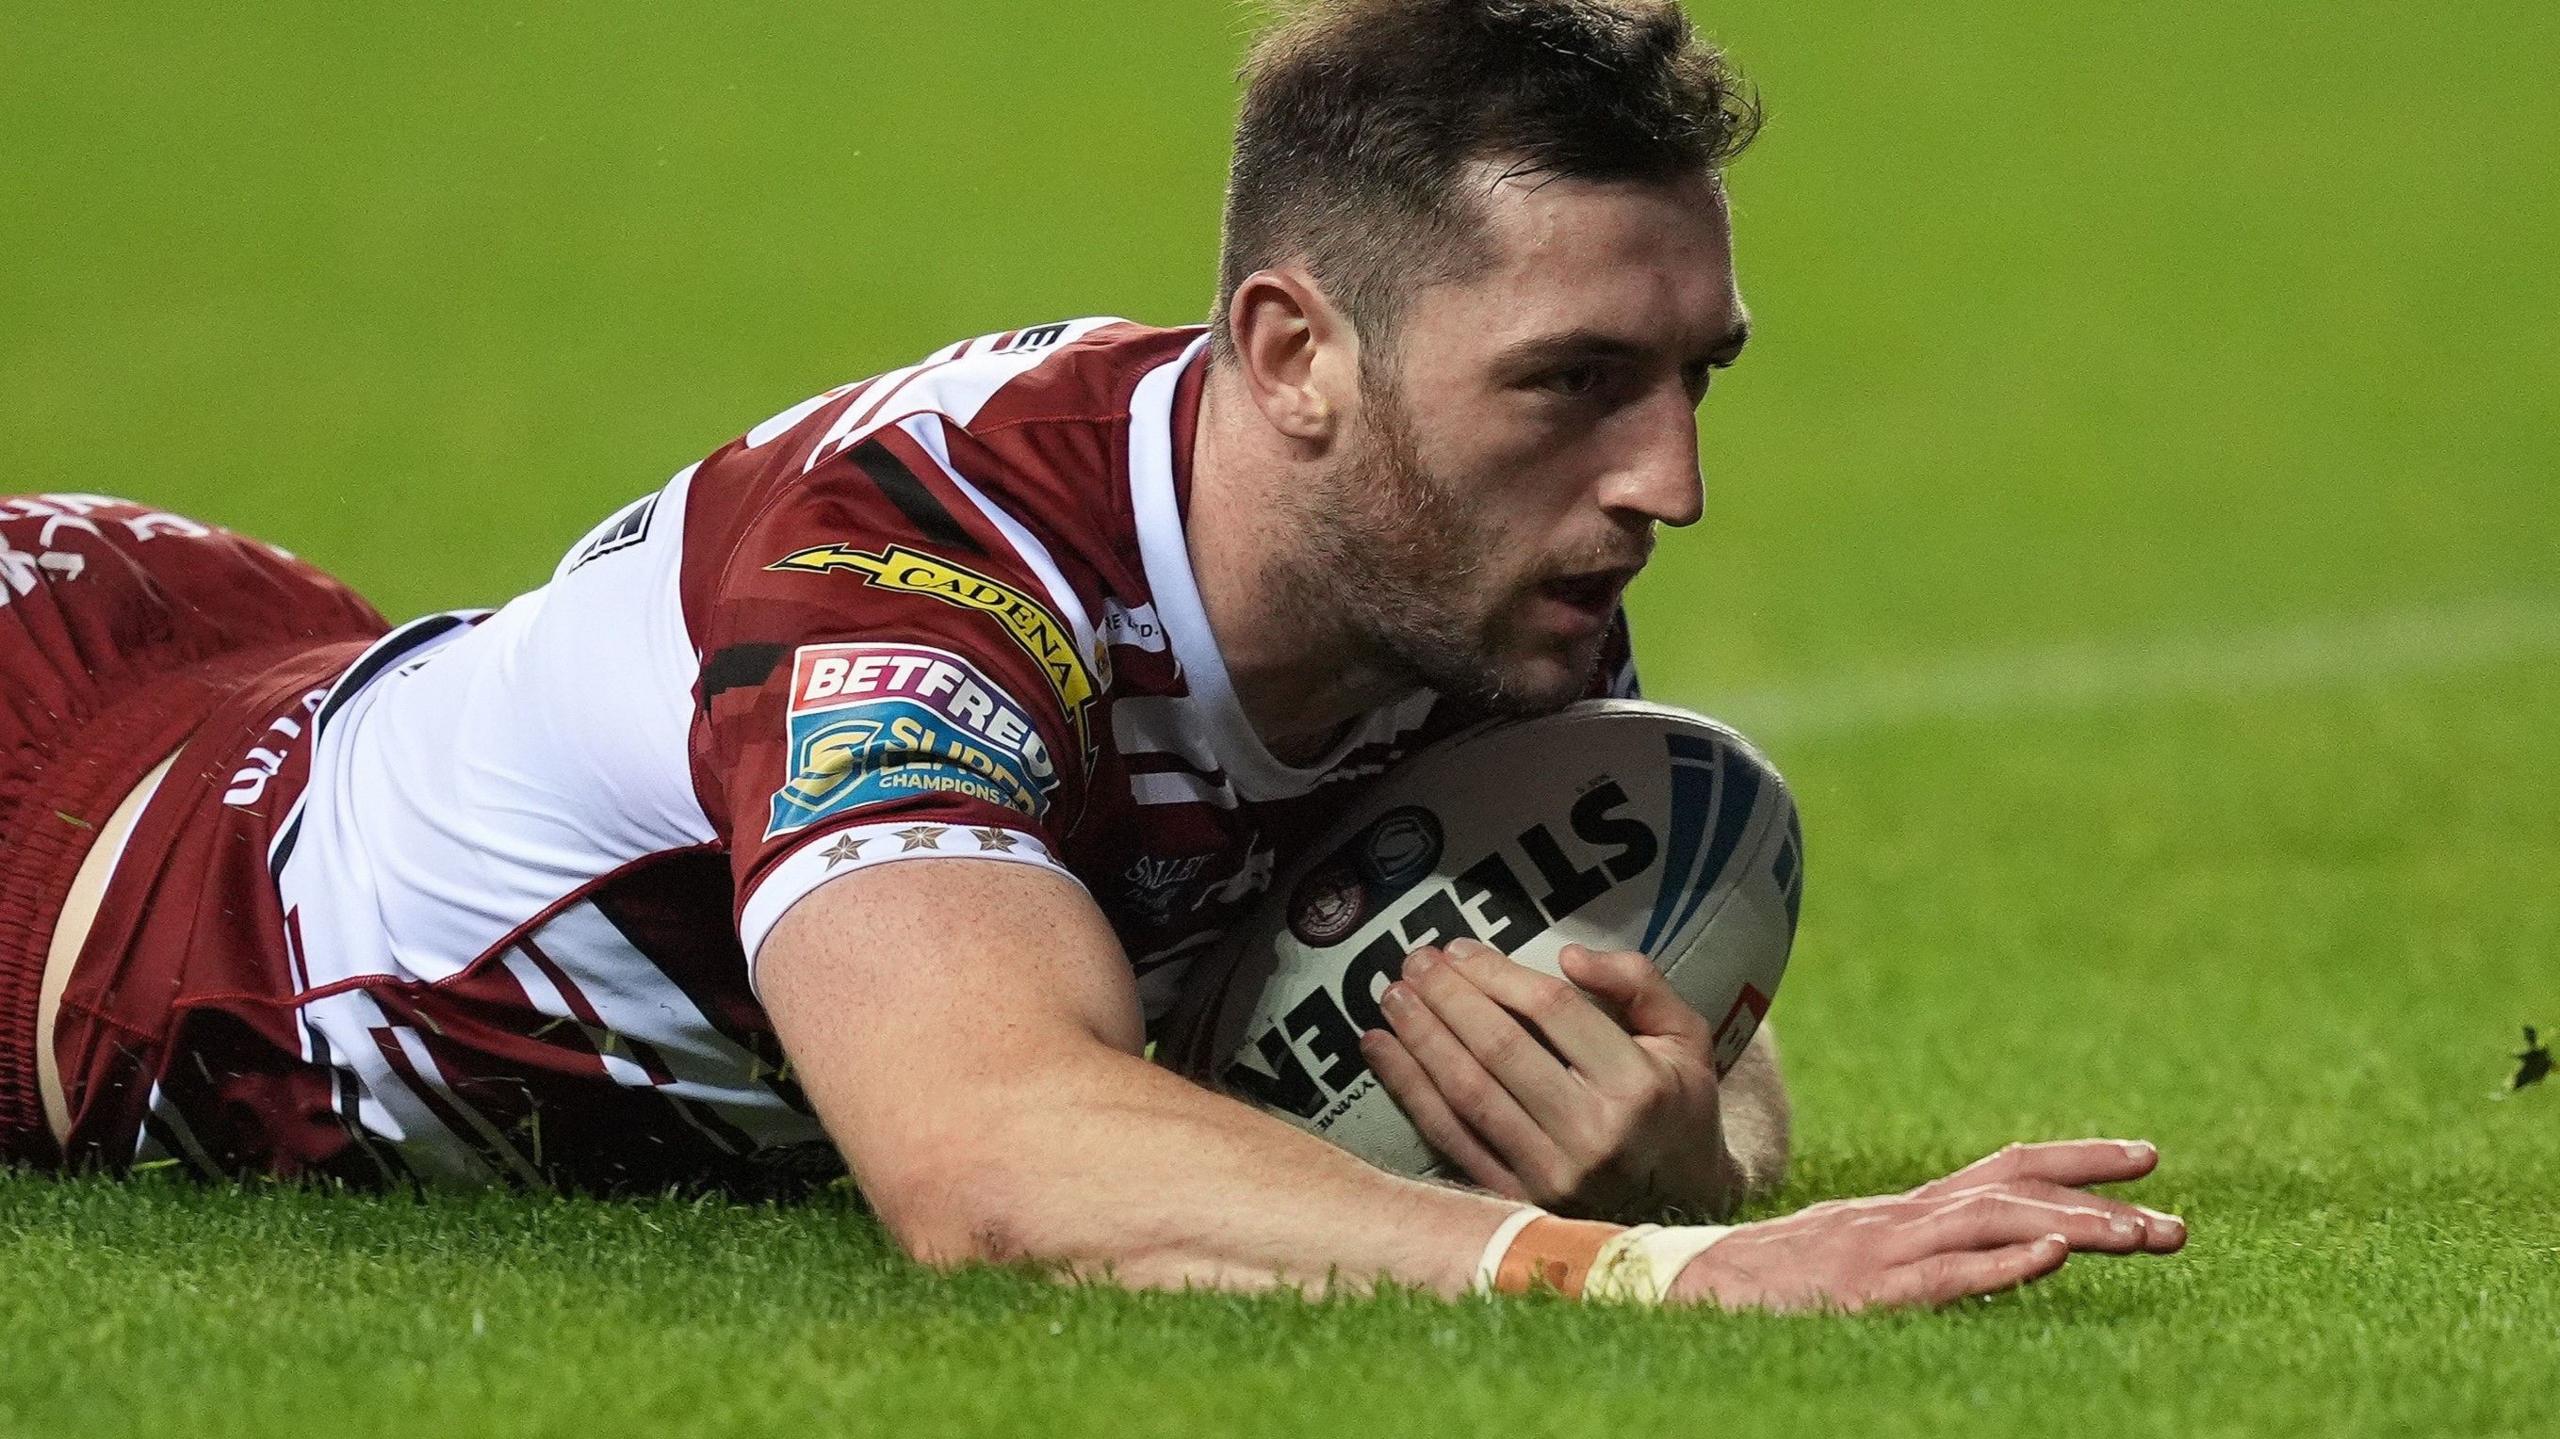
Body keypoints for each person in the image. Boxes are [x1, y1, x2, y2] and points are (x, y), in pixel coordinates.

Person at [0, 0, 2183, 1309]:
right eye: (1577, 380)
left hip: (278, 661)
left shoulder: (1448, 545)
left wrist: (1673, 1150)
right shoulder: (917, 578)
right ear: (1290, 354)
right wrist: (1648, 1276)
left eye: (1694, 375)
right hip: (81, 868)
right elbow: (985, 1155)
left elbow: (1649, 1012)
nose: (1665, 481)